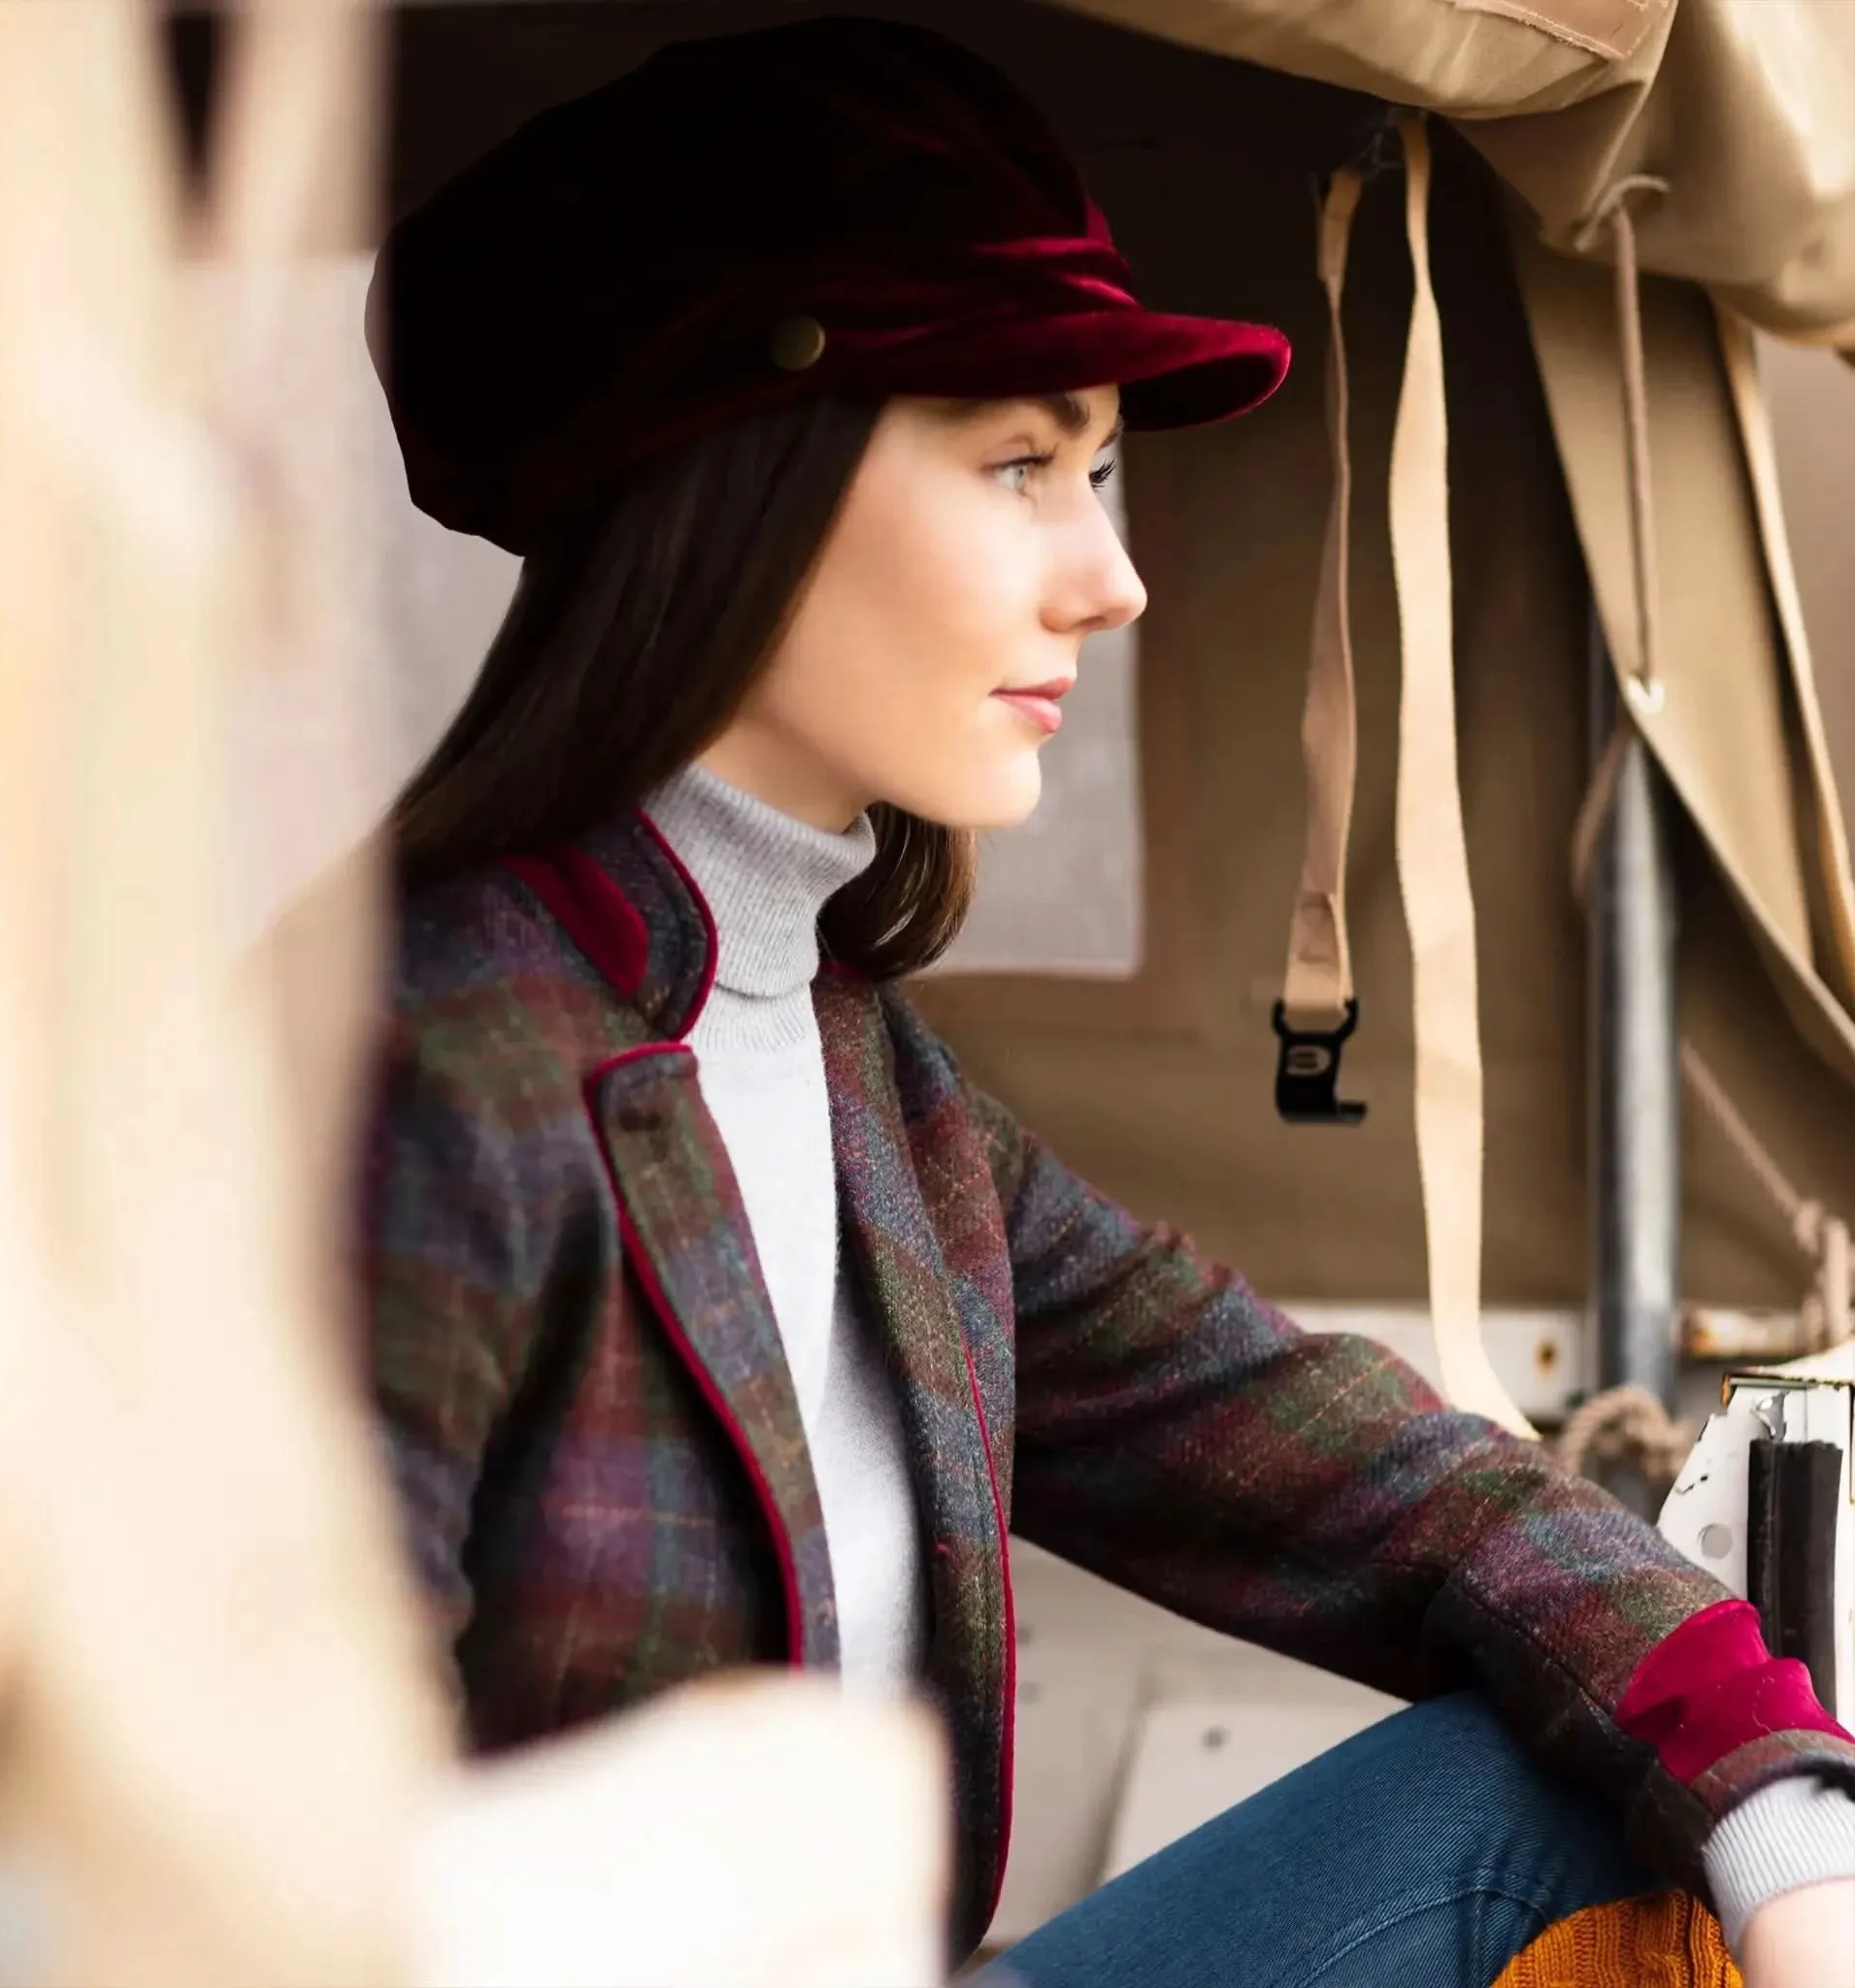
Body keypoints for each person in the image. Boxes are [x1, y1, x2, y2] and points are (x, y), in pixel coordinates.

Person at [357, 18, 1855, 1985]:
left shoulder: (848, 1057)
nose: (1111, 579)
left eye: (1103, 469)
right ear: (741, 481)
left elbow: (1364, 1474)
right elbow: (247, 1842)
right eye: (1017, 465)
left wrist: (1787, 1817)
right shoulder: (431, 1068)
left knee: (1573, 1780)